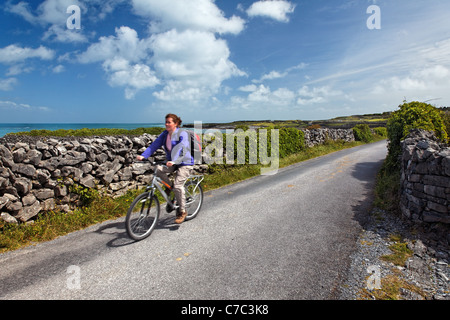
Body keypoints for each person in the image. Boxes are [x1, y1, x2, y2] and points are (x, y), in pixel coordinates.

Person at [136, 113, 194, 224]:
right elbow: (154, 145)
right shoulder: (165, 134)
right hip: (171, 163)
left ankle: (182, 211)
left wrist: (174, 160)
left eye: (169, 122)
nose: (166, 124)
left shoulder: (182, 133)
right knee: (158, 169)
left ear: (176, 123)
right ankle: (169, 187)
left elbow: (182, 147)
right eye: (166, 122)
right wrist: (144, 155)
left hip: (184, 162)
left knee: (178, 185)